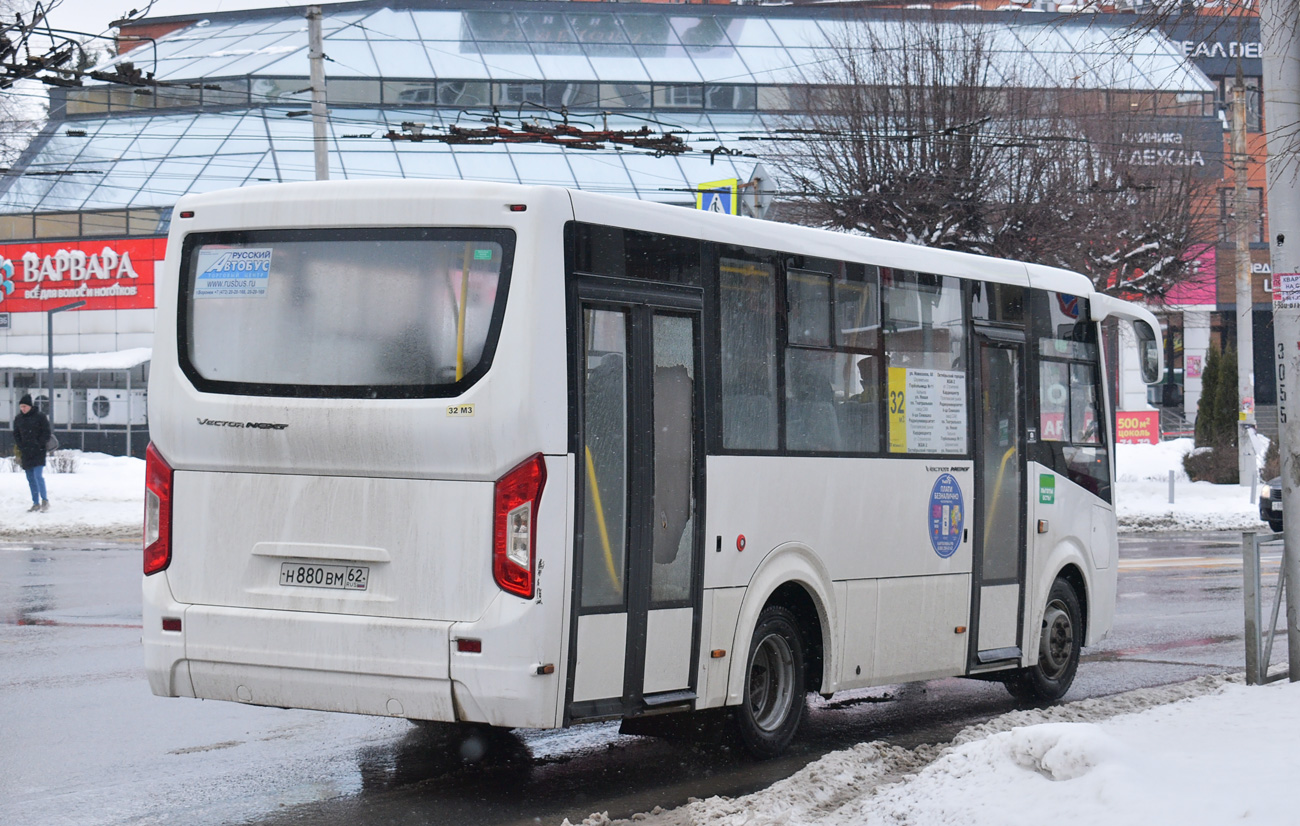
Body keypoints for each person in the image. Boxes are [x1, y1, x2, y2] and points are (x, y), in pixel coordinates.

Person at [13, 393, 51, 513]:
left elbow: (46, 432)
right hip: (26, 452)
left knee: (38, 476)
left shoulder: (40, 417)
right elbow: (16, 434)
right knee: (30, 478)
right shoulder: (18, 419)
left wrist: (39, 444)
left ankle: (45, 500)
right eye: (21, 407)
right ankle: (35, 502)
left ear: (30, 406)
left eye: (24, 406)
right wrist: (21, 446)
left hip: (38, 451)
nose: (22, 409)